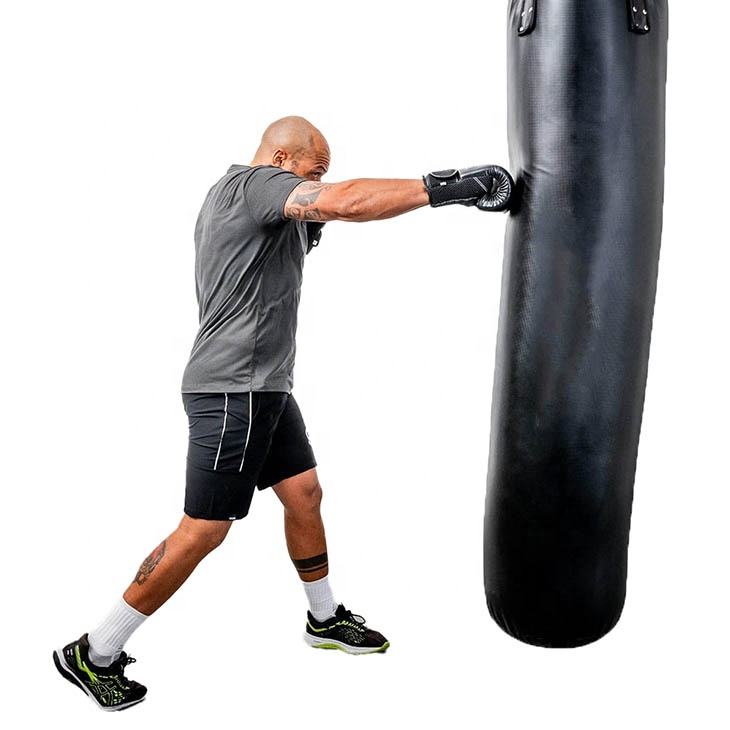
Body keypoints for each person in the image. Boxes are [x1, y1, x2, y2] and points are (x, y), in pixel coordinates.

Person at [52, 116, 513, 711]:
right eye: (313, 171)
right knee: (204, 529)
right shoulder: (255, 185)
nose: (316, 182)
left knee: (304, 493)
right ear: (280, 159)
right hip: (233, 392)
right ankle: (95, 651)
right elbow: (344, 202)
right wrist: (450, 188)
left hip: (265, 388)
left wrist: (325, 217)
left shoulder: (252, 201)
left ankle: (323, 619)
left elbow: (331, 210)